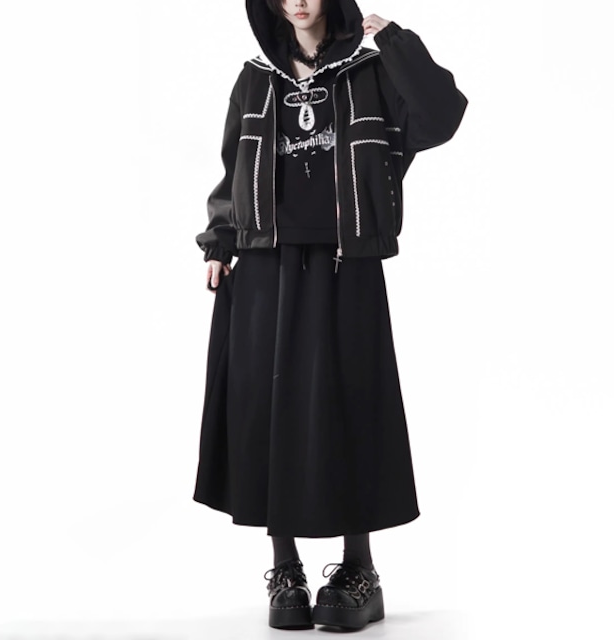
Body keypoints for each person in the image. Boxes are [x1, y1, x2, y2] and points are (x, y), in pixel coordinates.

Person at [192, 0, 468, 631]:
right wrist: (219, 241)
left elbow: (441, 115)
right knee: (270, 412)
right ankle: (285, 569)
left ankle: (358, 572)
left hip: (349, 263)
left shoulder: (371, 72)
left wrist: (396, 42)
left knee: (351, 406)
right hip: (264, 264)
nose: (299, 0)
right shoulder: (254, 78)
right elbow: (234, 167)